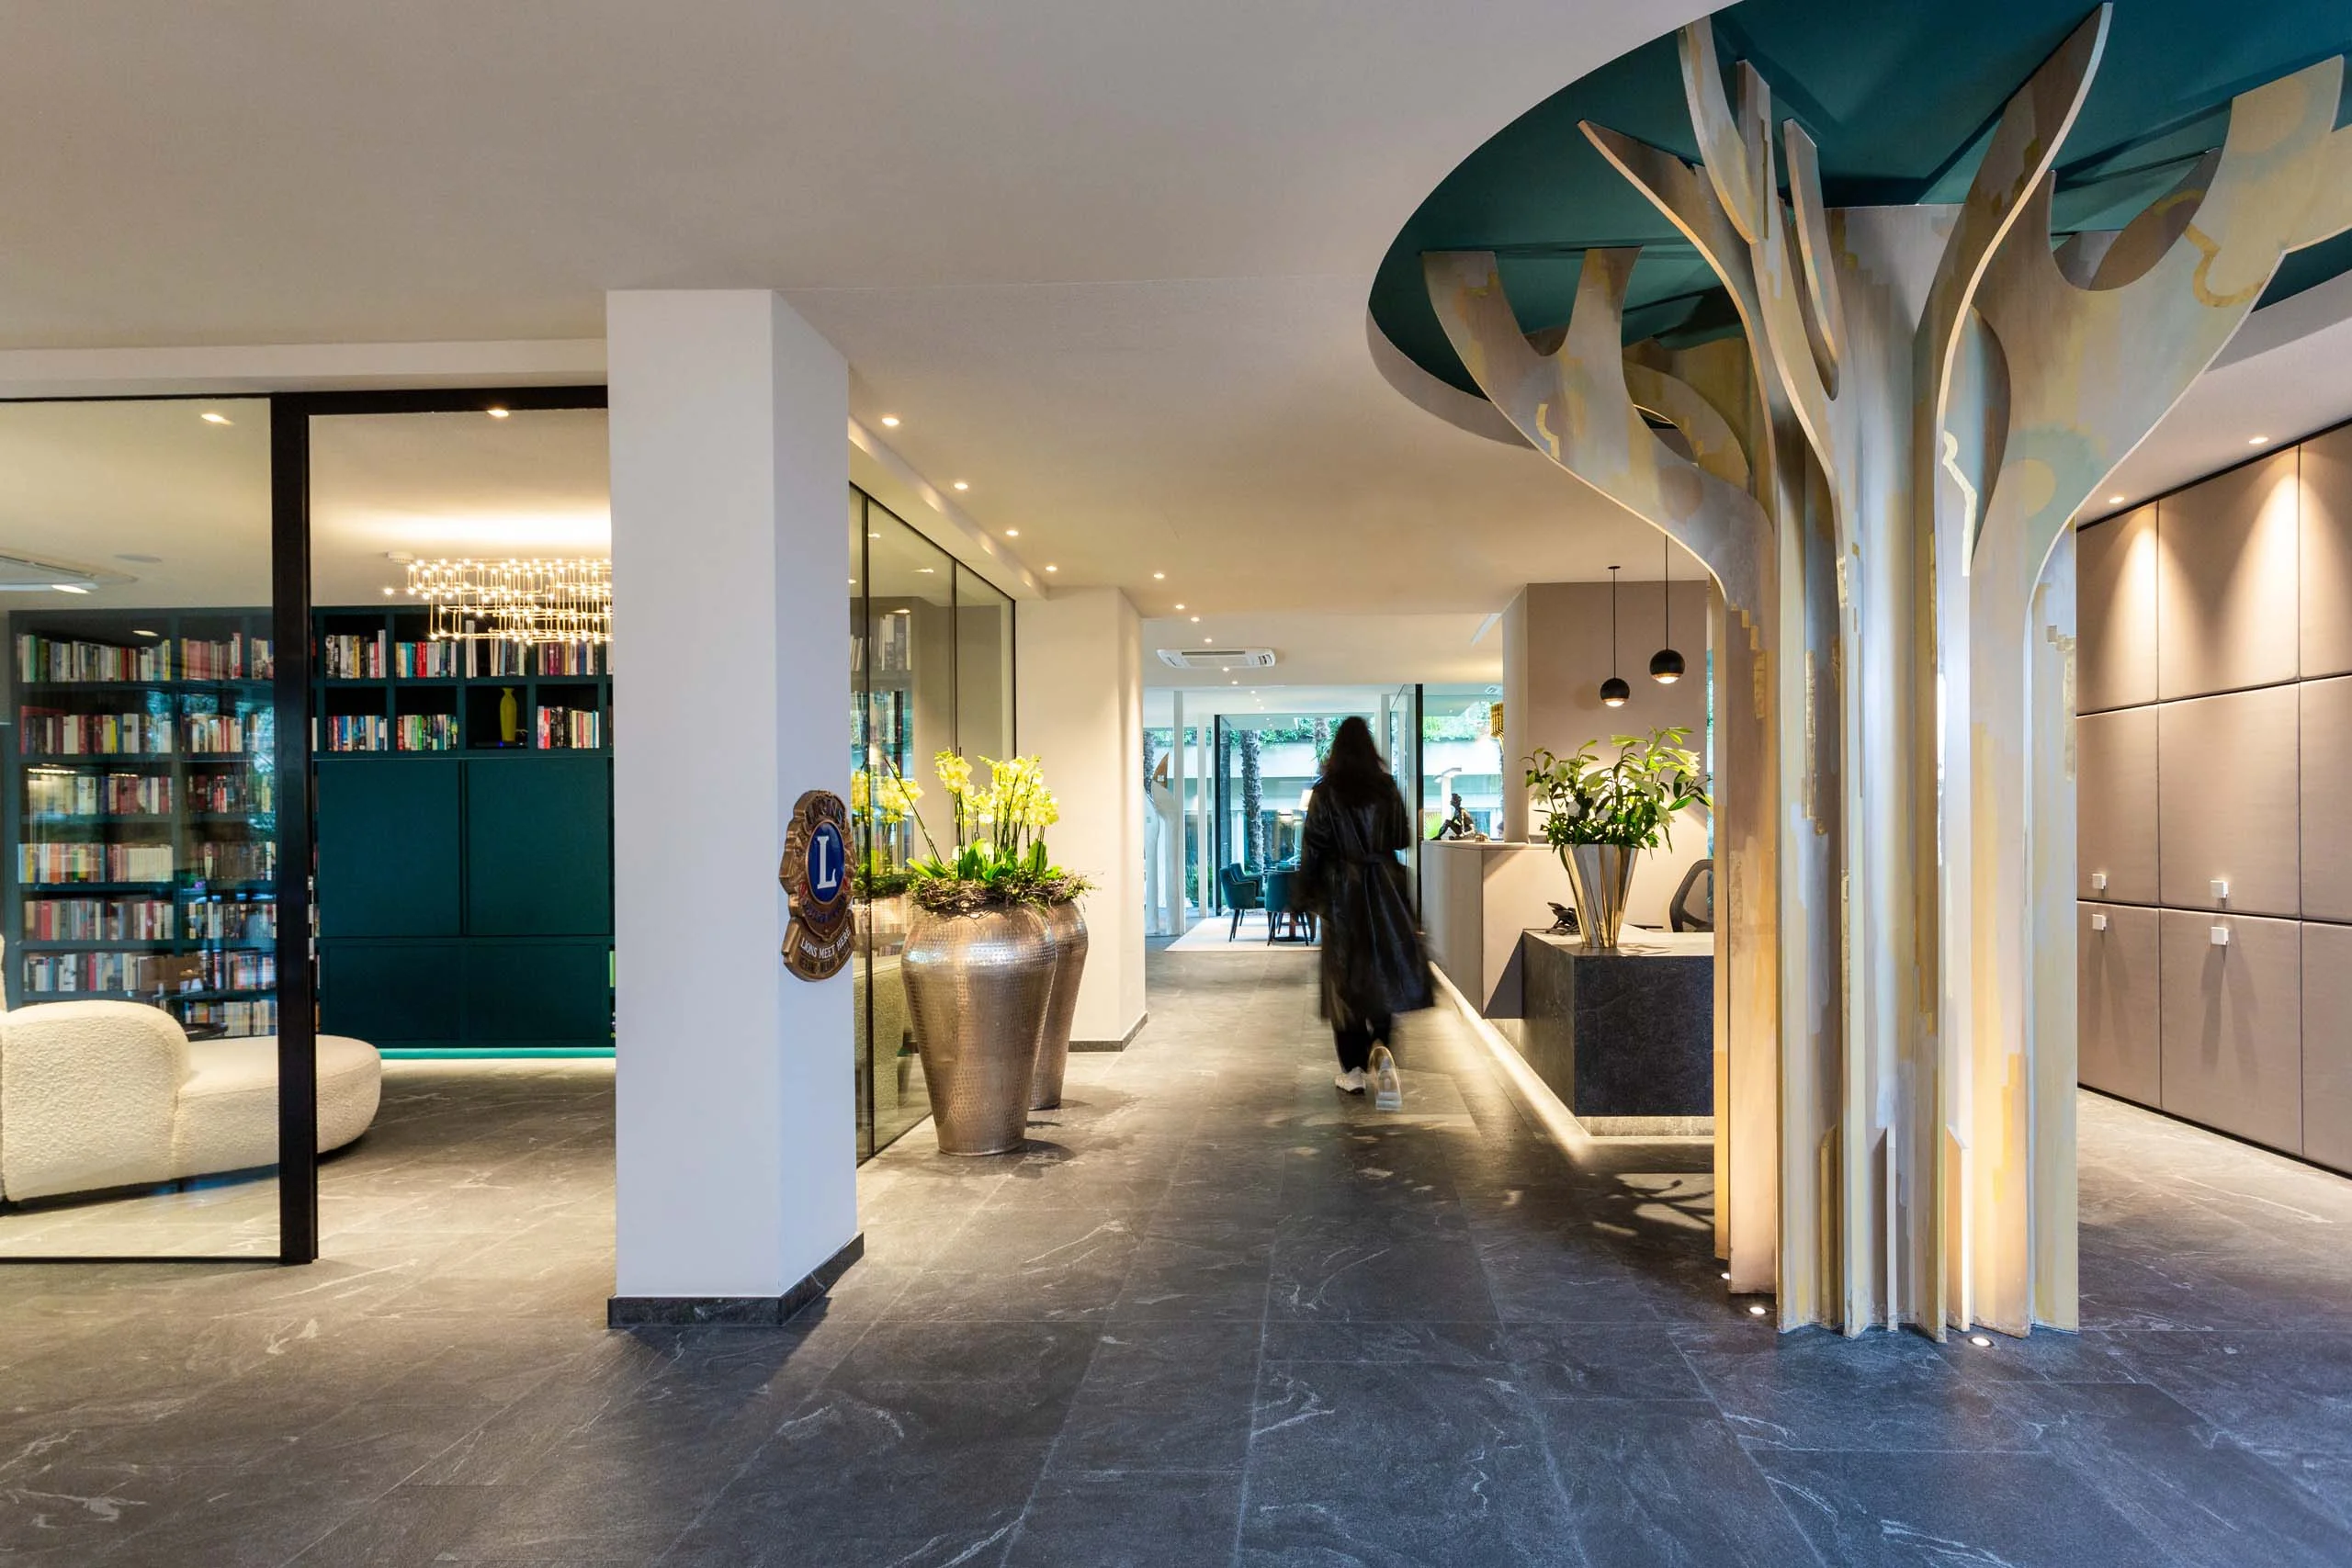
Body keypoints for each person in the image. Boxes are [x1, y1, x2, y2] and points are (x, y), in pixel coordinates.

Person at [1295, 716, 1434, 1093]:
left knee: (1345, 980)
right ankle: (1382, 1049)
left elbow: (1313, 848)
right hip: (1386, 889)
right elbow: (1401, 837)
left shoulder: (1325, 792)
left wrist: (1304, 894)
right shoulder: (1386, 788)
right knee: (1383, 970)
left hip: (1342, 893)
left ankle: (1353, 1070)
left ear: (1336, 750)